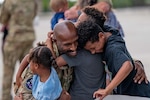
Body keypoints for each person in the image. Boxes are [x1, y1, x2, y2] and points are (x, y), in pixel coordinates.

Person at [77, 20, 150, 99]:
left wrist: (107, 90)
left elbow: (127, 65)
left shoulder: (112, 49)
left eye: (93, 48)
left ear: (101, 36)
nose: (93, 52)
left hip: (138, 94)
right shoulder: (110, 31)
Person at [76, 6, 148, 84]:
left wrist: (136, 62)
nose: (76, 24)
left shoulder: (106, 39)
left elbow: (124, 59)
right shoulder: (78, 37)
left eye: (80, 22)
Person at [0, 0, 38, 99]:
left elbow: (3, 18)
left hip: (13, 40)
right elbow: (33, 15)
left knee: (8, 72)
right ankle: (27, 96)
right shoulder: (32, 2)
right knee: (29, 72)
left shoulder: (9, 2)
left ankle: (6, 97)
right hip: (28, 38)